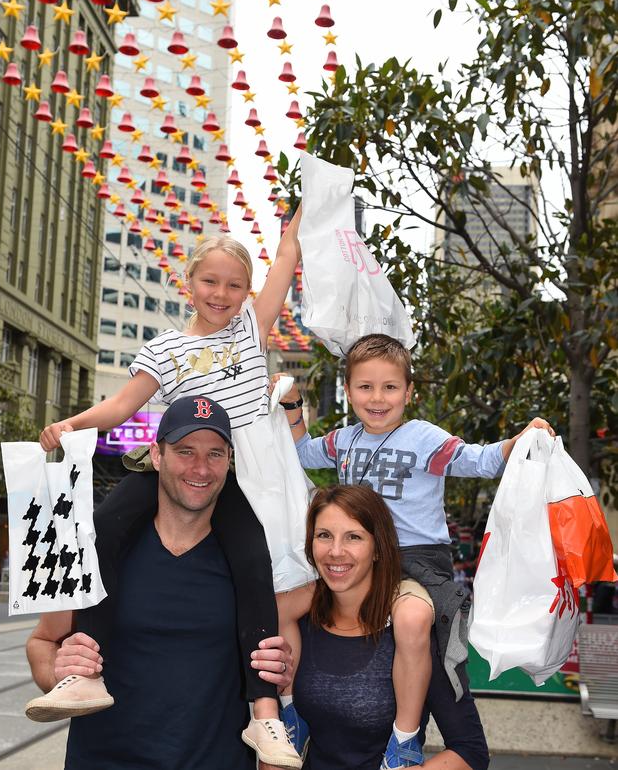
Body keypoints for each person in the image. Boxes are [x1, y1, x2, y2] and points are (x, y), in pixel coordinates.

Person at [34, 219, 304, 768]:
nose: (221, 295)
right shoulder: (166, 349)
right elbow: (122, 407)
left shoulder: (251, 328)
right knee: (102, 528)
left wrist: (291, 235)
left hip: (244, 471)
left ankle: (264, 714)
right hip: (183, 461)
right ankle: (84, 674)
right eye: (210, 281)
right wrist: (71, 425)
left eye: (234, 285)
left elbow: (282, 269)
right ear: (189, 283)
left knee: (255, 568)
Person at [274, 333, 555, 768]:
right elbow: (302, 452)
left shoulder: (422, 437)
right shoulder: (345, 439)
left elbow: (475, 460)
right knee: (283, 605)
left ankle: (404, 738)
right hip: (355, 561)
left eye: (390, 387)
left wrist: (518, 442)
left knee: (413, 617)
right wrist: (292, 406)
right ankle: (293, 710)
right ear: (347, 391)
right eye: (365, 387)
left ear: (409, 391)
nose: (377, 398)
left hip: (415, 560)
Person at [26, 397, 295, 770]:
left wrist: (280, 669)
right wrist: (58, 668)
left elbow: (315, 621)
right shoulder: (99, 551)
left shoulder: (249, 560)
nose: (201, 468)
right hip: (103, 760)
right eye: (185, 451)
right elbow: (41, 642)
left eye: (215, 454)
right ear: (156, 455)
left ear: (229, 461)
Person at [278, 484, 490, 770]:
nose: (335, 551)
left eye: (354, 537)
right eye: (324, 535)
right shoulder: (301, 623)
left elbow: (470, 751)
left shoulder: (412, 633)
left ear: (378, 548)